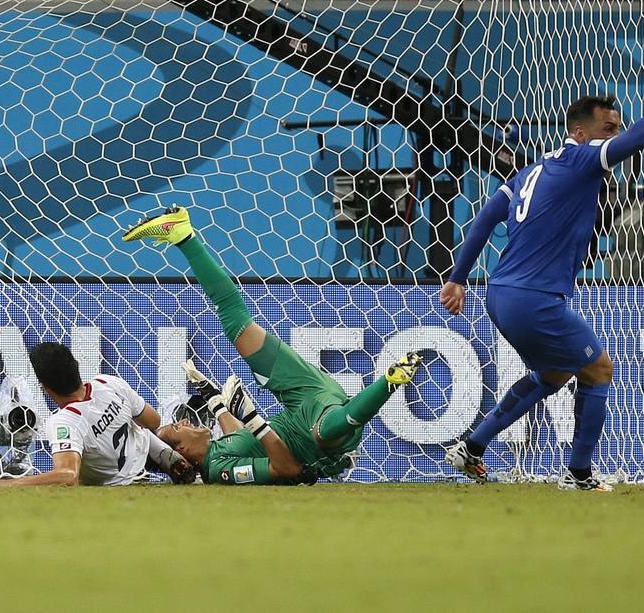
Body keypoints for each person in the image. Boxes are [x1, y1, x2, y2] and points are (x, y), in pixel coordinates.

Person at [440, 56, 644, 491]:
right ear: (580, 133)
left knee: (553, 376)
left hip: (501, 292)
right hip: (534, 297)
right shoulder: (581, 160)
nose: (615, 136)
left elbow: (484, 219)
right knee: (600, 370)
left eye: (615, 128)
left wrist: (458, 277)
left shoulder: (530, 170)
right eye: (608, 129)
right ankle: (578, 475)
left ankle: (473, 447)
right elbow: (643, 136)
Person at [122, 206, 422, 485]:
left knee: (235, 321)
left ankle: (182, 235)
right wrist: (253, 418)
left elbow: (237, 437)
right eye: (178, 426)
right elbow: (287, 469)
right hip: (312, 436)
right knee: (327, 431)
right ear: (184, 450)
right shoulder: (218, 471)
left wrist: (215, 401)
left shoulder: (217, 449)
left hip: (302, 396)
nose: (185, 419)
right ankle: (389, 382)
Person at [0, 341, 191, 487]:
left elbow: (68, 475)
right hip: (143, 449)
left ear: (45, 388)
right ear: (76, 366)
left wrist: (7, 484)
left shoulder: (64, 421)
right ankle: (169, 455)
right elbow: (153, 420)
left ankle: (165, 454)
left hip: (120, 482)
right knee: (142, 430)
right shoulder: (108, 382)